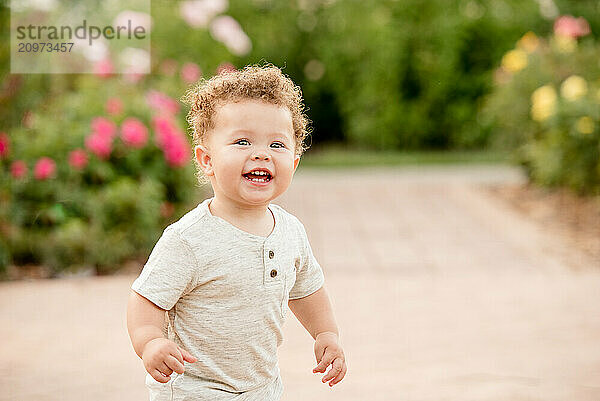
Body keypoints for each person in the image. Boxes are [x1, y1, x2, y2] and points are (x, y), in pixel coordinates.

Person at [126, 64, 346, 400]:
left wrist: (325, 333)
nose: (261, 154)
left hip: (261, 390)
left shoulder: (290, 231)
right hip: (195, 390)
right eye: (242, 141)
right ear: (207, 160)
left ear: (295, 162)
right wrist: (151, 342)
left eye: (277, 144)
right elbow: (147, 299)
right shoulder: (189, 239)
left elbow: (307, 289)